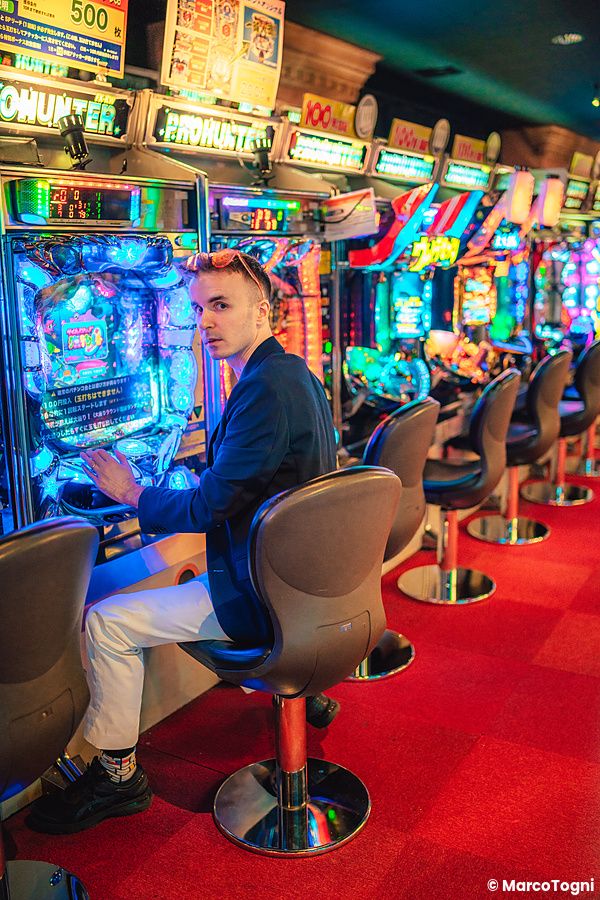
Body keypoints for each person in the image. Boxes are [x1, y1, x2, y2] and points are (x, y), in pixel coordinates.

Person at [29, 249, 339, 834]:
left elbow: (206, 507)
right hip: (309, 581)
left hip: (265, 593)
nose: (206, 323)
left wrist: (131, 493)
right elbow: (243, 485)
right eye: (198, 310)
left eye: (221, 306)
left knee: (106, 621)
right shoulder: (289, 372)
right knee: (174, 582)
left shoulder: (263, 389)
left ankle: (118, 778)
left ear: (263, 311)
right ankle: (305, 687)